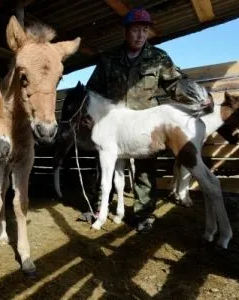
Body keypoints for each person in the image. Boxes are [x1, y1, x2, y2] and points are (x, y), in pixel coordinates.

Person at [84, 7, 187, 233]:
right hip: (112, 125)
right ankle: (99, 208)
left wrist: (194, 97)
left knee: (144, 170)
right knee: (104, 168)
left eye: (144, 30)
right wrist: (89, 118)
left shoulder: (158, 58)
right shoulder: (108, 59)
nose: (140, 35)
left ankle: (142, 215)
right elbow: (91, 92)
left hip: (143, 125)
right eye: (135, 30)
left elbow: (175, 85)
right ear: (126, 31)